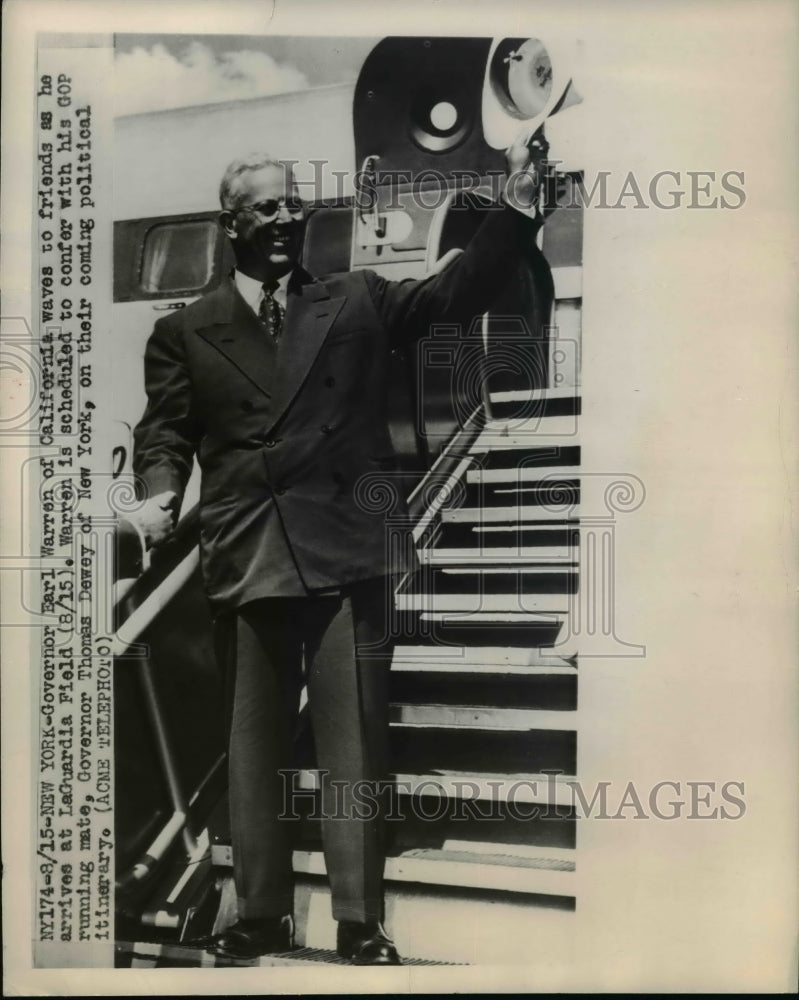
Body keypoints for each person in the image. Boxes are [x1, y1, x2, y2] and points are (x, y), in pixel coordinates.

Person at [132, 127, 546, 964]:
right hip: (247, 550)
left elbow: (450, 295)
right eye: (267, 207)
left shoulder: (355, 298)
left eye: (295, 203)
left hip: (345, 549)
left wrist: (516, 206)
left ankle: (359, 922)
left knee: (353, 743)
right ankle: (258, 914)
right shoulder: (186, 329)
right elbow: (164, 432)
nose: (286, 218)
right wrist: (156, 496)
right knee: (250, 747)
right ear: (231, 222)